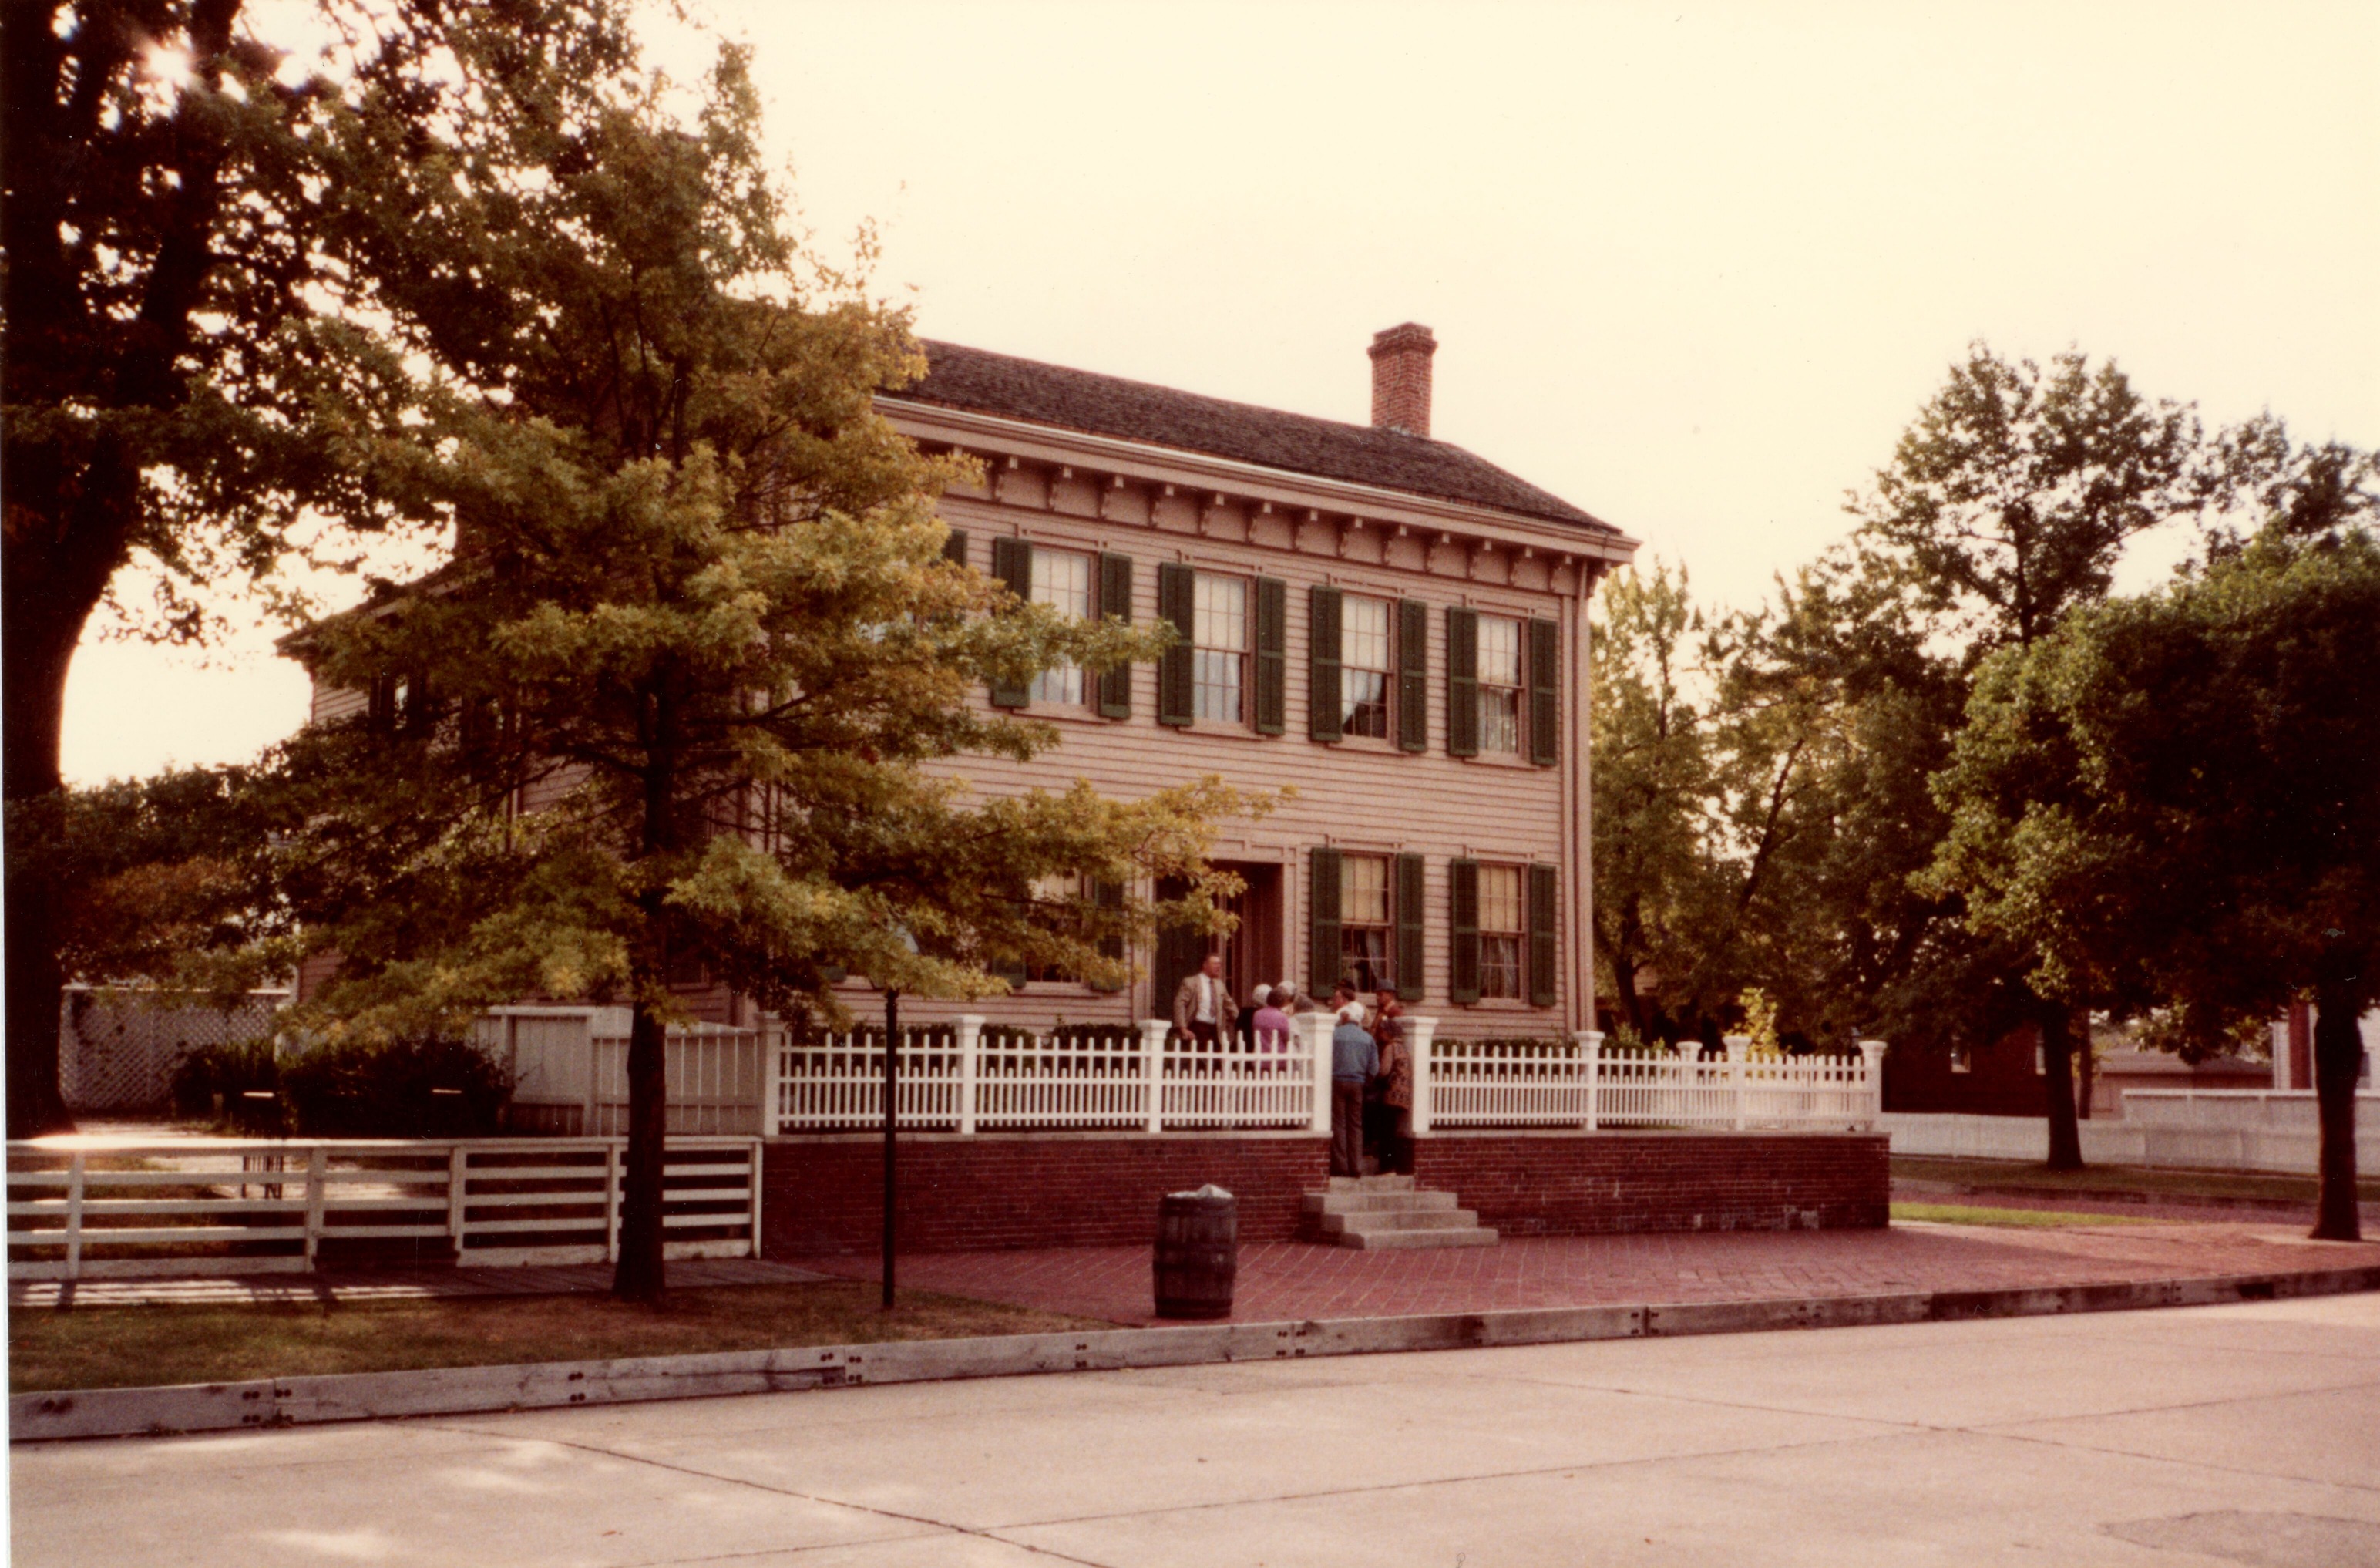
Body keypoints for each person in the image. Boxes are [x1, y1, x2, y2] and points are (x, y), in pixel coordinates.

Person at [1329, 996, 1378, 1177]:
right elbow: (1374, 1067)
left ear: (1347, 1015)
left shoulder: (1335, 1034)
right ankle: (1356, 1165)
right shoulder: (1368, 1038)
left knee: (1339, 1123)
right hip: (1358, 1082)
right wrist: (1367, 1081)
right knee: (1355, 1124)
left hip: (1337, 1080)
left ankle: (1341, 1165)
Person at [1368, 1016, 1414, 1175]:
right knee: (1392, 1130)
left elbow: (1383, 1071)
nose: (1380, 1035)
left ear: (1388, 1032)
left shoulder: (1390, 1048)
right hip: (1403, 1095)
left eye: (1382, 1031)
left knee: (1386, 1131)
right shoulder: (1402, 1048)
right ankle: (1391, 1166)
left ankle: (1387, 1167)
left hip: (1391, 1094)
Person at [1172, 952, 1238, 1048]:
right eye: (1215, 964)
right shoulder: (1191, 982)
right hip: (1197, 1027)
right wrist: (1183, 1028)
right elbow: (1179, 1004)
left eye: (1220, 964)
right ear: (1205, 965)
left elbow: (1230, 1005)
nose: (1218, 967)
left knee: (1215, 1060)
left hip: (1215, 1029)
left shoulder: (1220, 985)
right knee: (1201, 1060)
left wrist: (1241, 1022)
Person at [1249, 984, 1293, 1061]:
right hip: (1278, 1058)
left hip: (1260, 1057)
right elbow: (1287, 1039)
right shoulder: (1282, 1017)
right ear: (1283, 1001)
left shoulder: (1257, 1014)